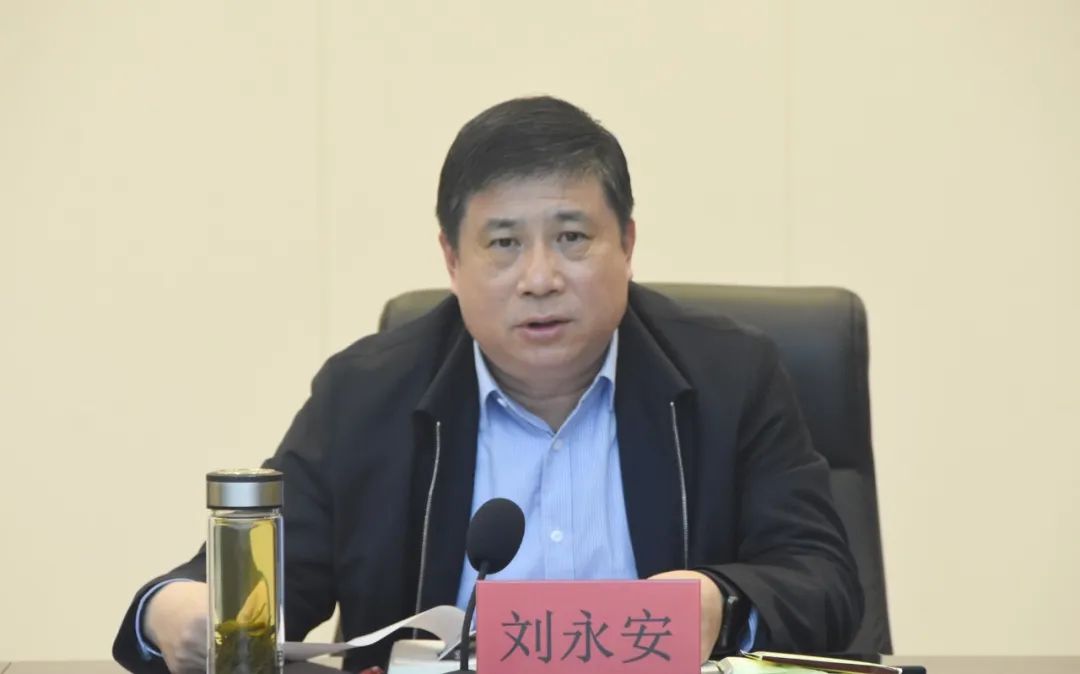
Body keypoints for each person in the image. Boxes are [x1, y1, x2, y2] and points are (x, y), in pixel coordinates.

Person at [113, 96, 863, 674]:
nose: (539, 278)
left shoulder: (733, 377)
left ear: (628, 243)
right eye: (504, 243)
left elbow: (825, 582)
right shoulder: (365, 395)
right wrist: (173, 613)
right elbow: (254, 595)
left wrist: (718, 602)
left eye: (572, 238)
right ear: (451, 259)